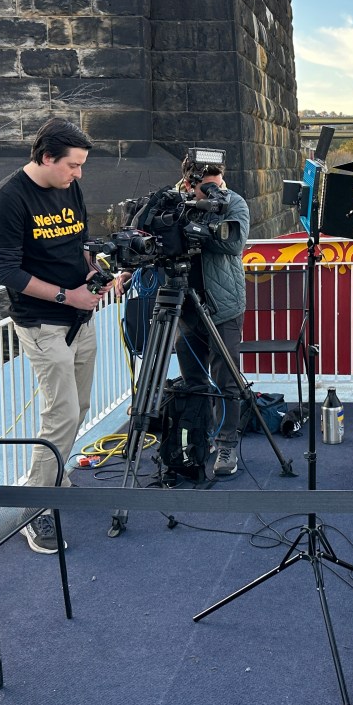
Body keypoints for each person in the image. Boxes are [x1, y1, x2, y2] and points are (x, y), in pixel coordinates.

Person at [0, 118, 103, 553]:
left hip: (79, 318)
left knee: (80, 406)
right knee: (62, 413)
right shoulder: (9, 198)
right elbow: (7, 272)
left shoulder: (69, 187)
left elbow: (81, 240)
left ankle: (55, 476)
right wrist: (67, 297)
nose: (78, 174)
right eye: (72, 165)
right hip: (41, 323)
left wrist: (94, 273)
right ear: (46, 157)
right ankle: (34, 510)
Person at [115, 152, 250, 478]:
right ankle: (193, 440)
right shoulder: (173, 202)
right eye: (208, 187)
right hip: (181, 306)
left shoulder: (234, 203)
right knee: (192, 380)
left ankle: (227, 442)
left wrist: (201, 225)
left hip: (223, 307)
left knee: (226, 381)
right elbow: (151, 241)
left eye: (218, 184)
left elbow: (234, 243)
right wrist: (129, 270)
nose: (216, 191)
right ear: (190, 184)